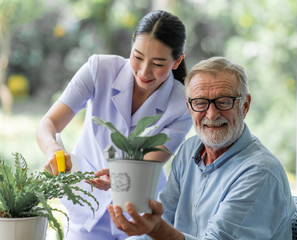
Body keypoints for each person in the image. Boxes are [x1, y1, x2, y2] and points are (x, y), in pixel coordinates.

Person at [36, 10, 192, 240]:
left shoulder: (182, 104)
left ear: (177, 61)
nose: (144, 71)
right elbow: (48, 123)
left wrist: (120, 176)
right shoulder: (99, 69)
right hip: (86, 205)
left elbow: (149, 163)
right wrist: (52, 148)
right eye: (137, 57)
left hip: (139, 210)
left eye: (158, 63)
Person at [106, 56, 296, 239]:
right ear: (189, 109)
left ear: (244, 106)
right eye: (200, 103)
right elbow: (165, 218)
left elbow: (160, 228)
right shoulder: (189, 150)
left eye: (223, 102)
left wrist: (156, 230)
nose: (212, 115)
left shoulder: (260, 172)